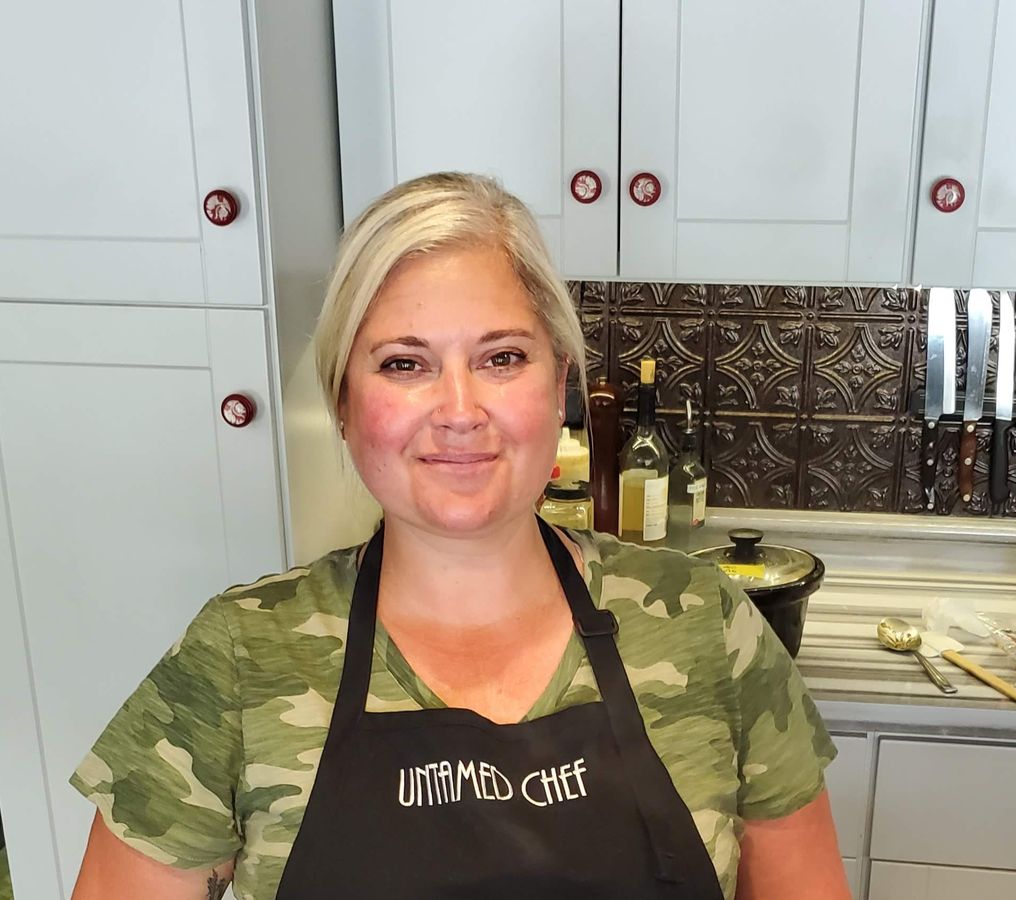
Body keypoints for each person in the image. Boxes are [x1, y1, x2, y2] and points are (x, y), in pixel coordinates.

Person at [70, 172, 848, 899]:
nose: (460, 411)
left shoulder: (705, 625)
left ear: (560, 385)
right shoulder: (239, 658)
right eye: (404, 365)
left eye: (501, 358)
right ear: (343, 404)